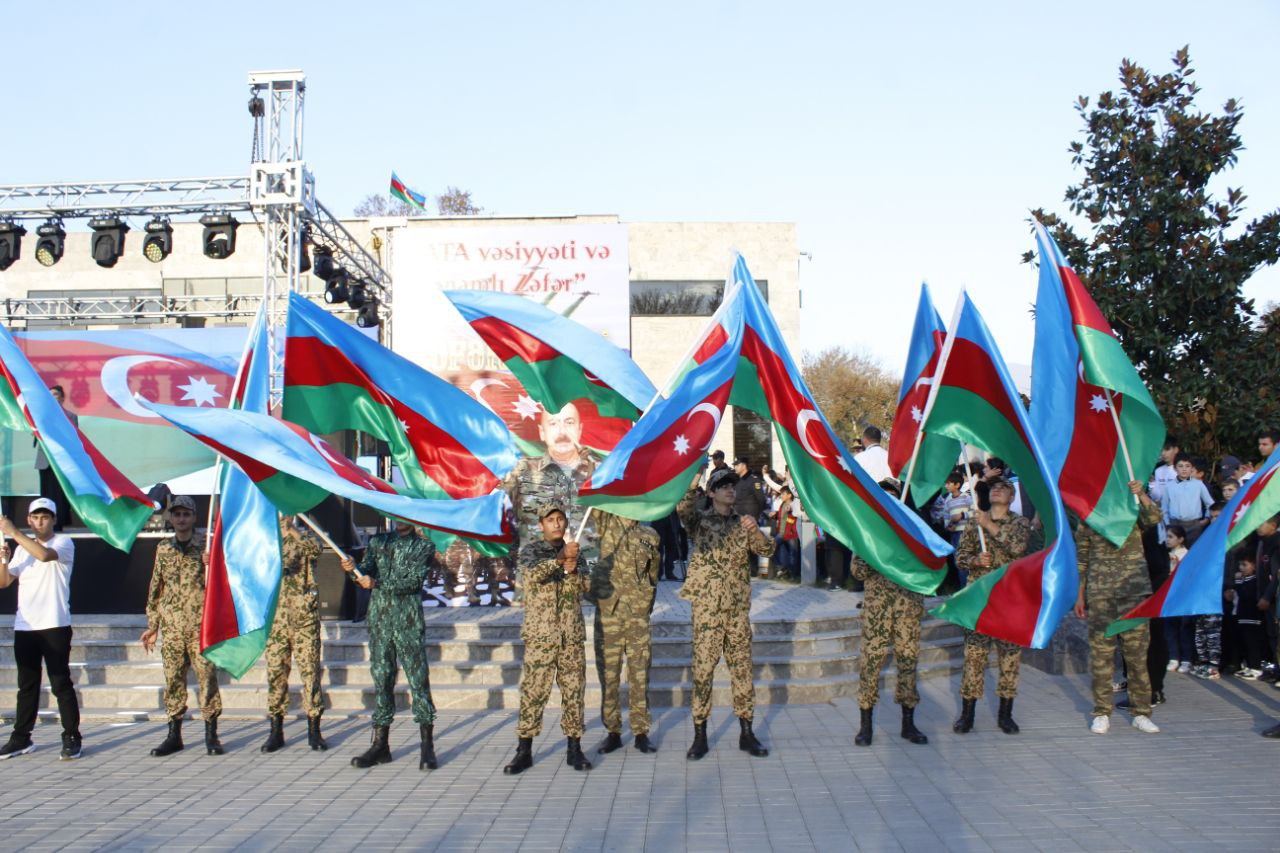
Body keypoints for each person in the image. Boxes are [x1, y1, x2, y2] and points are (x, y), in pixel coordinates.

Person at [678, 468, 774, 760]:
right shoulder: (700, 522)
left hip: (736, 612)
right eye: (722, 486)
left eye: (732, 485)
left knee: (742, 672)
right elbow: (683, 507)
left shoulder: (742, 523)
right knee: (703, 673)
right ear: (711, 493)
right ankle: (700, 735)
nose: (730, 489)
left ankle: (747, 732)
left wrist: (755, 530)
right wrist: (694, 476)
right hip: (707, 613)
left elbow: (767, 550)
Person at [340, 520, 438, 770]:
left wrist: (376, 583)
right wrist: (353, 570)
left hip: (408, 621)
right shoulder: (378, 542)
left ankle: (427, 746)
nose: (401, 519)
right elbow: (365, 571)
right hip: (380, 621)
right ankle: (380, 745)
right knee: (382, 678)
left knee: (418, 680)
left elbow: (413, 582)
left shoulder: (423, 547)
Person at [502, 504, 591, 774]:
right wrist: (559, 559)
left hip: (570, 636)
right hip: (541, 636)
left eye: (560, 520)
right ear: (541, 525)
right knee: (533, 693)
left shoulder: (577, 552)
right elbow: (532, 578)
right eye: (551, 520)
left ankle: (574, 748)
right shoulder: (532, 551)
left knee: (574, 693)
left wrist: (573, 568)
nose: (556, 524)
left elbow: (586, 589)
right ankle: (524, 750)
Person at [1075, 481, 1162, 735]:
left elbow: (1155, 517)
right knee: (1101, 658)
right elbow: (1081, 558)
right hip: (1101, 595)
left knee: (1136, 657)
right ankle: (1102, 712)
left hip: (1134, 594)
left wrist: (1141, 494)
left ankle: (1141, 713)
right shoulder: (1088, 518)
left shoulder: (1131, 512)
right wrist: (1080, 595)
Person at [141, 496, 224, 757]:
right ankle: (174, 734)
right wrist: (153, 625)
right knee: (174, 680)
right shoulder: (164, 548)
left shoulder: (206, 546)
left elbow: (223, 585)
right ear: (170, 518)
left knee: (207, 679)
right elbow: (156, 588)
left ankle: (211, 734)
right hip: (173, 627)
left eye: (186, 514)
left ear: (194, 517)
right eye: (176, 515)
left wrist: (215, 564)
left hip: (201, 627)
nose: (181, 519)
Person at [0, 498, 81, 760]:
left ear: (54, 520)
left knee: (60, 682)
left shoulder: (62, 543)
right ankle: (21, 738)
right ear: (29, 520)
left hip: (54, 623)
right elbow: (4, 582)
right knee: (27, 685)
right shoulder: (23, 549)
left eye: (45, 517)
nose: (40, 521)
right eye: (35, 517)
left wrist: (12, 533)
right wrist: (3, 560)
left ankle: (71, 736)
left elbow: (45, 556)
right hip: (26, 625)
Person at [852, 480, 929, 747]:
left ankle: (908, 724)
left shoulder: (915, 532)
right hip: (877, 611)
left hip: (908, 608)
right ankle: (866, 725)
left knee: (908, 664)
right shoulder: (868, 534)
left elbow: (928, 567)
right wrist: (877, 553)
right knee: (870, 665)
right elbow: (858, 572)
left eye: (893, 498)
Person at [952, 479, 1031, 735]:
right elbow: (960, 557)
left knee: (1009, 658)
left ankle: (1005, 714)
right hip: (981, 600)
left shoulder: (1019, 523)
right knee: (974, 657)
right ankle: (967, 714)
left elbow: (1018, 549)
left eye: (1004, 487)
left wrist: (989, 526)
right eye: (994, 487)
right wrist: (975, 559)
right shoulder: (974, 522)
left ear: (1012, 496)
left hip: (1008, 601)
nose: (997, 489)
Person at [504, 403, 602, 588]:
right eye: (553, 424)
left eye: (569, 422)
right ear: (542, 432)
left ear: (580, 429)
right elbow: (489, 507)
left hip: (588, 580)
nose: (562, 431)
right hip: (539, 584)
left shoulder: (600, 472)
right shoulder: (522, 471)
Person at [591, 510, 661, 755]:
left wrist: (644, 605)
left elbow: (654, 573)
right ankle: (613, 731)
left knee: (639, 674)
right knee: (608, 676)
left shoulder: (649, 535)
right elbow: (596, 493)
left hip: (637, 617)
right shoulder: (603, 526)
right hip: (608, 613)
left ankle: (641, 731)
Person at [261, 515, 327, 753]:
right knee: (276, 674)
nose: (282, 517)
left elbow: (317, 549)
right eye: (278, 512)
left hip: (303, 620)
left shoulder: (304, 538)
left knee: (310, 674)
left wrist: (293, 532)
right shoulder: (266, 542)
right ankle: (276, 730)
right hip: (276, 620)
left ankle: (314, 729)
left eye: (286, 512)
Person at [33, 386, 76, 531]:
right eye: (50, 395)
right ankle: (44, 522)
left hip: (61, 461)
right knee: (46, 493)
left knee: (59, 493)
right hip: (45, 460)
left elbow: (72, 439)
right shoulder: (40, 416)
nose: (53, 397)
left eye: (56, 394)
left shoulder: (70, 416)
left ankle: (58, 522)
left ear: (62, 398)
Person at [1162, 525, 1195, 674]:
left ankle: (1187, 659)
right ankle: (1173, 657)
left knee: (1184, 628)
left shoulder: (1187, 555)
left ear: (1180, 539)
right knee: (1170, 628)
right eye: (1166, 536)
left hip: (1183, 597)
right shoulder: (1166, 555)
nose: (1167, 540)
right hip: (1169, 597)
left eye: (1170, 537)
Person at [1227, 551, 1265, 680]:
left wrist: (1238, 583)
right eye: (1240, 565)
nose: (1241, 568)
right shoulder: (1243, 581)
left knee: (1252, 643)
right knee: (1244, 642)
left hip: (1252, 617)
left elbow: (1247, 596)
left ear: (1254, 566)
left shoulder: (1254, 581)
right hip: (1241, 616)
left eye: (1245, 565)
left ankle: (1256, 668)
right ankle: (1248, 666)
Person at [1159, 453, 1212, 544]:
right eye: (1180, 466)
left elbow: (1210, 503)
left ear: (1192, 468)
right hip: (1175, 525)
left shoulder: (1198, 484)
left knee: (1193, 552)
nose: (1184, 469)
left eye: (1187, 466)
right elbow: (1164, 507)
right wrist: (1168, 524)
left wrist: (1206, 519)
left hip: (1194, 525)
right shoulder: (1169, 486)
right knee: (1176, 554)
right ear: (1175, 468)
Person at [772, 485, 801, 581]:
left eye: (783, 494)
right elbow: (781, 517)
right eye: (781, 494)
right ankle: (781, 568)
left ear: (789, 495)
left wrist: (792, 509)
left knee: (793, 554)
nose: (781, 495)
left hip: (791, 534)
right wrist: (775, 515)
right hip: (781, 533)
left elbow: (796, 513)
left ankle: (793, 575)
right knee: (771, 547)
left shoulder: (794, 504)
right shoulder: (782, 505)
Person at [731, 457, 766, 522]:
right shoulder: (736, 480)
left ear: (744, 466)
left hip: (750, 519)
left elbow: (761, 499)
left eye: (737, 465)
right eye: (734, 465)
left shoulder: (754, 480)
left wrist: (756, 516)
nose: (735, 467)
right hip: (738, 518)